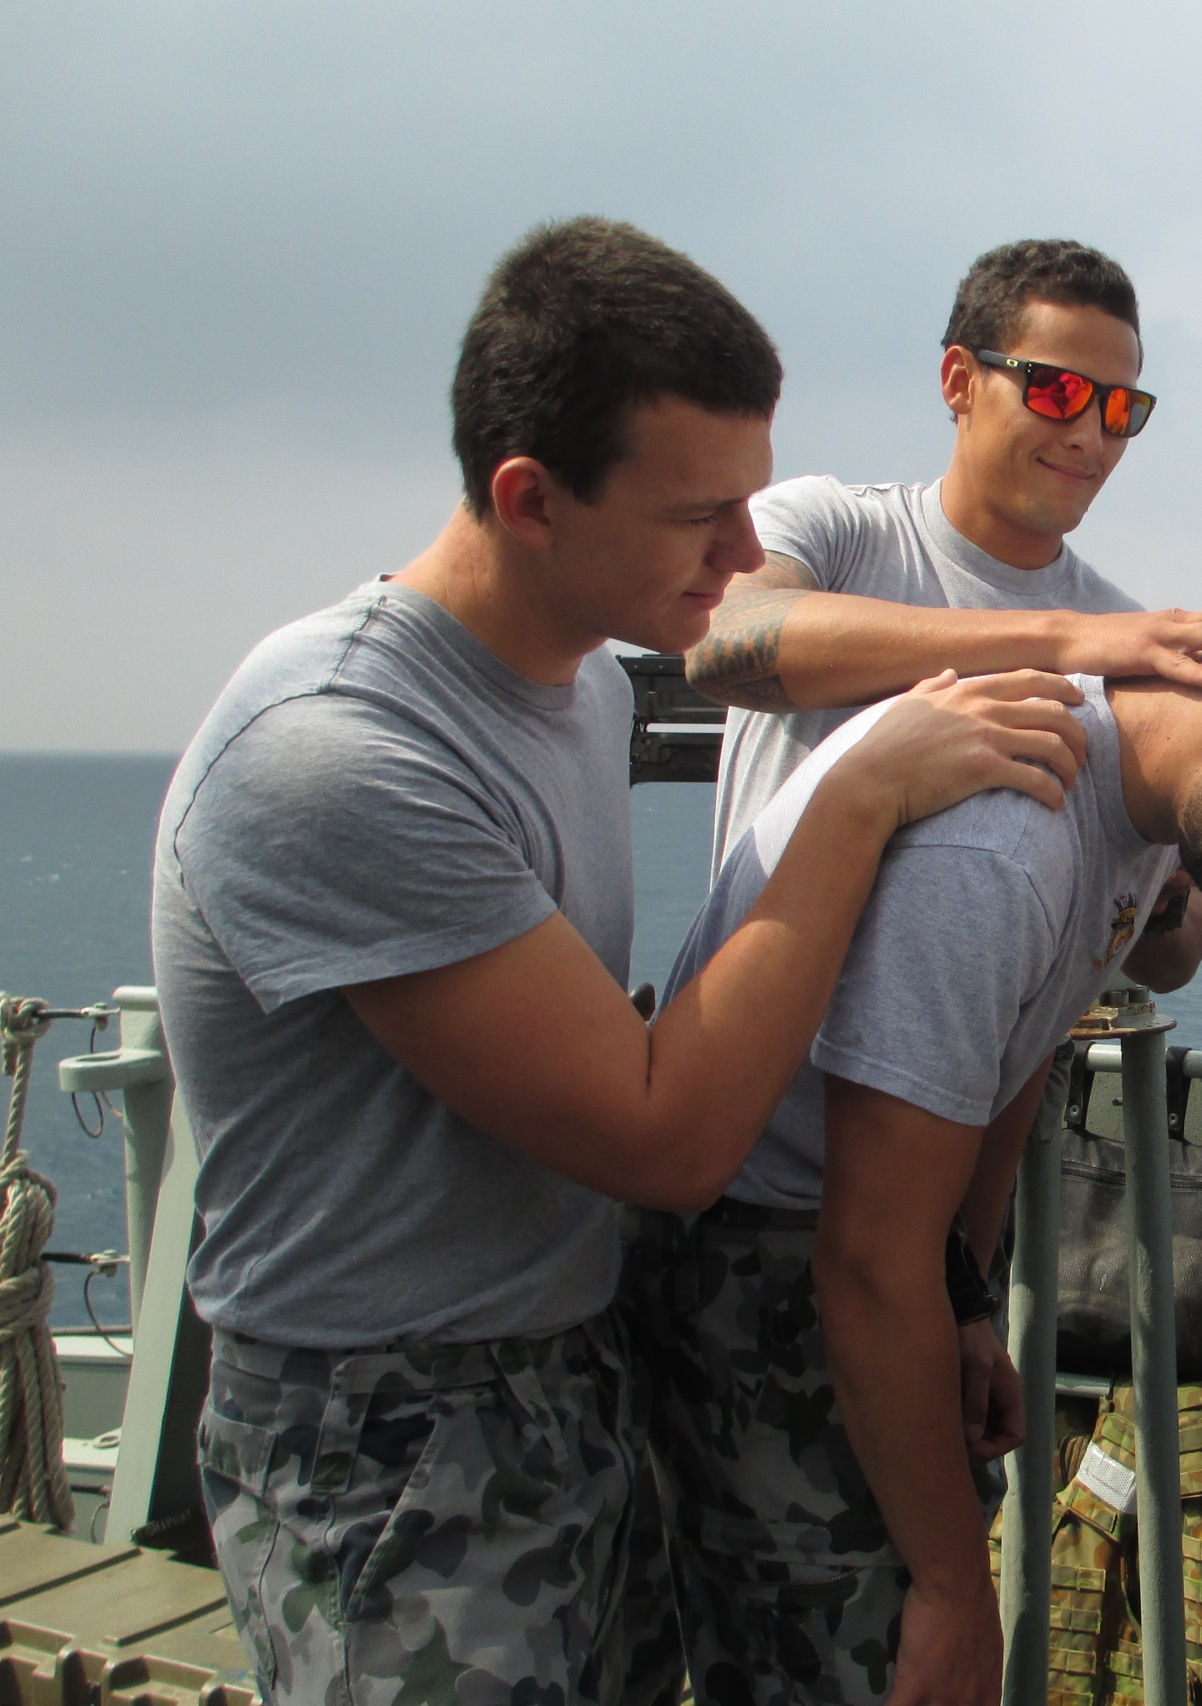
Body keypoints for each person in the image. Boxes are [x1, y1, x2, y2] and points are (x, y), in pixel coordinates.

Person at [153, 217, 1091, 1706]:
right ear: (530, 497)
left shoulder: (580, 684)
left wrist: (958, 1285)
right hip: (389, 1429)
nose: (744, 556)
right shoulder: (336, 752)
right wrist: (859, 788)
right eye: (698, 515)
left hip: (579, 1364)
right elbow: (667, 1137)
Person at [622, 571, 1202, 1706]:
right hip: (778, 1278)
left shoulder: (1135, 799)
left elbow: (1023, 1038)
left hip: (888, 1267)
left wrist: (967, 1297)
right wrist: (952, 1590)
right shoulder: (999, 846)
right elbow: (866, 1262)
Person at [685, 236, 1202, 990]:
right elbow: (720, 640)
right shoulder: (831, 528)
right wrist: (1058, 639)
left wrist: (1160, 901)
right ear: (960, 381)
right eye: (1057, 392)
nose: (1089, 436)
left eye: (1119, 409)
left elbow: (1178, 953)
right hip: (749, 1033)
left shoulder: (1124, 638)